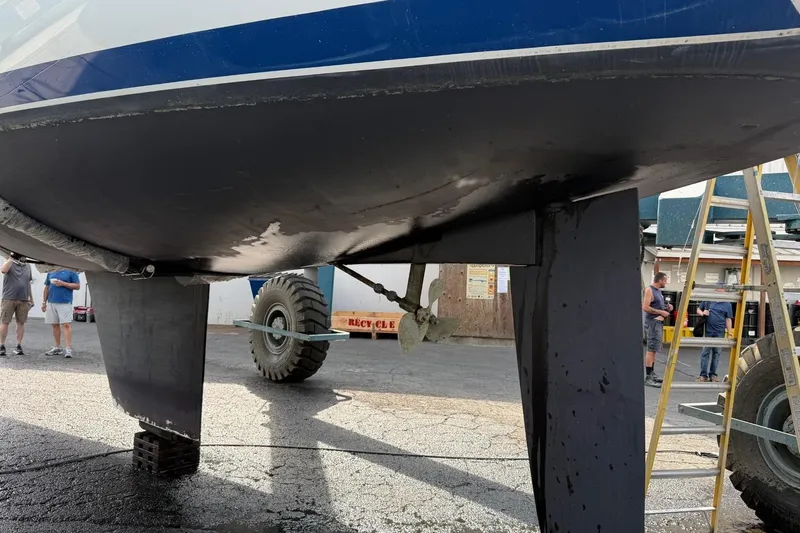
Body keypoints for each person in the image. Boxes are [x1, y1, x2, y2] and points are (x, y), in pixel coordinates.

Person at [696, 283, 734, 382]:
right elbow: (698, 309)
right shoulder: (708, 300)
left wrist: (730, 333)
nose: (724, 291)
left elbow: (728, 319)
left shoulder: (727, 304)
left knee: (716, 353)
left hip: (719, 332)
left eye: (724, 289)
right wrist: (702, 313)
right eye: (722, 289)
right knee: (705, 353)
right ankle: (703, 375)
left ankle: (712, 375)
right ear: (717, 290)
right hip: (707, 331)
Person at [642, 272, 673, 388]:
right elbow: (645, 307)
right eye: (665, 280)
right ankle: (648, 377)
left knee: (654, 349)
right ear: (660, 280)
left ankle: (652, 374)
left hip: (658, 323)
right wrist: (661, 312)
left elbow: (656, 306)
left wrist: (667, 308)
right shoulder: (649, 290)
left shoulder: (658, 292)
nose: (666, 282)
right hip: (653, 323)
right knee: (651, 349)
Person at [0, 253, 33, 356]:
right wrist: (11, 258)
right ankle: (1, 345)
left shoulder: (28, 266)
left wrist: (31, 298)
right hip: (9, 298)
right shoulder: (9, 263)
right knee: (5, 322)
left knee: (21, 322)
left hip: (23, 299)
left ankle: (18, 345)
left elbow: (28, 283)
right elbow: (3, 270)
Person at [42, 269, 80, 358]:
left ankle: (68, 349)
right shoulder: (50, 272)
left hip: (65, 302)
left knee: (66, 325)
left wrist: (63, 283)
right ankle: (57, 347)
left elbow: (77, 286)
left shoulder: (71, 271)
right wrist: (44, 302)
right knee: (54, 325)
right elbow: (47, 287)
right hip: (51, 302)